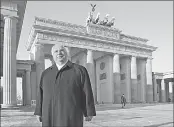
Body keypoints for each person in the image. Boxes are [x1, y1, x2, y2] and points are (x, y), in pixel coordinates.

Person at [34, 43, 96, 127]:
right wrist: (38, 112)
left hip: (71, 116)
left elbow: (87, 91)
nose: (59, 53)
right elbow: (40, 94)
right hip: (49, 115)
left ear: (66, 53)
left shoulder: (80, 70)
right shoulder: (46, 73)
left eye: (62, 50)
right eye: (56, 51)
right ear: (53, 55)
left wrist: (89, 111)